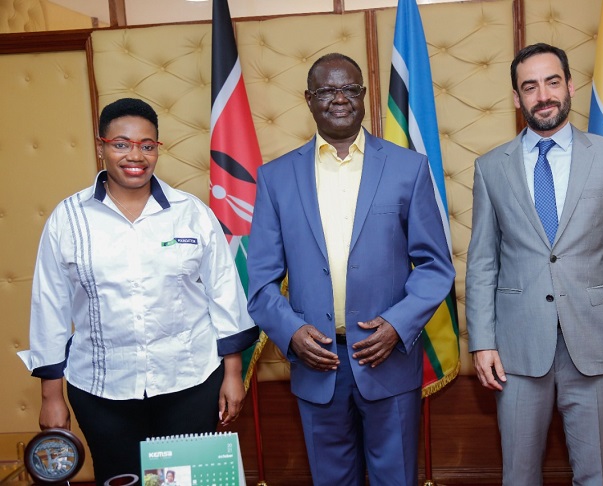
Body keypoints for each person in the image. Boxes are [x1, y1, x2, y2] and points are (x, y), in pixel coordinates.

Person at [18, 98, 259, 484]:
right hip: (101, 390)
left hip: (190, 382)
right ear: (101, 146)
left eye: (147, 145)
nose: (136, 156)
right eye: (121, 144)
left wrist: (232, 374)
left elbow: (225, 294)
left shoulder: (190, 212)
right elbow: (49, 306)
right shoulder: (69, 218)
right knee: (121, 479)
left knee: (187, 482)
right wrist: (51, 396)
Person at [246, 52, 455, 486]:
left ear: (363, 96)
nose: (339, 99)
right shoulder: (276, 178)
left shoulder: (408, 168)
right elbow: (261, 282)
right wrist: (292, 333)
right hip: (316, 363)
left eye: (350, 89)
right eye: (326, 90)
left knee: (395, 478)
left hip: (388, 359)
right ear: (309, 99)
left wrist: (397, 325)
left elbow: (435, 266)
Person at [465, 43, 603, 485]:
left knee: (595, 476)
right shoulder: (490, 168)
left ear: (570, 86)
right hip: (516, 351)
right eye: (530, 87)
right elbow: (482, 262)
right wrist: (481, 342)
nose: (543, 95)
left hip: (594, 345)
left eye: (552, 82)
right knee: (518, 476)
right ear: (516, 97)